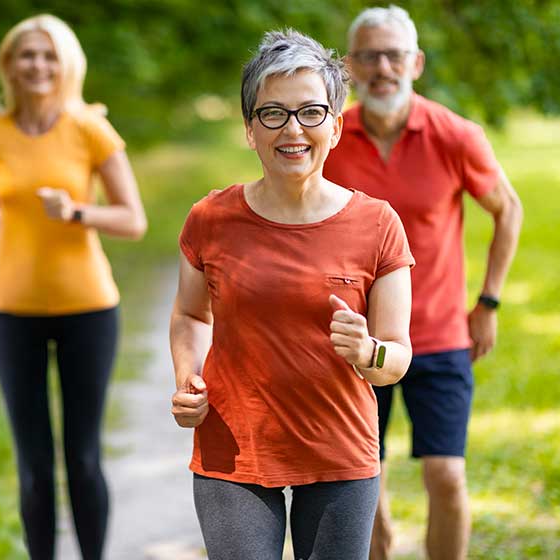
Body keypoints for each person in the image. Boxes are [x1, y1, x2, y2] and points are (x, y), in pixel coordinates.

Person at [169, 29, 415, 560]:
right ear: (250, 130)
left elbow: (397, 354)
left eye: (310, 112)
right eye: (273, 113)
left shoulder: (378, 224)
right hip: (234, 449)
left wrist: (367, 351)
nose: (293, 129)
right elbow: (191, 313)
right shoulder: (210, 219)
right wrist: (187, 374)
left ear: (336, 126)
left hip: (340, 451)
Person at [323, 6, 523, 560]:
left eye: (393, 55)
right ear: (349, 66)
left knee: (447, 476)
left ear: (416, 63)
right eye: (367, 56)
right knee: (365, 481)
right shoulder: (330, 137)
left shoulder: (455, 135)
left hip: (439, 333)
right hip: (358, 340)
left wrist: (487, 301)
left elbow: (508, 210)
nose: (381, 67)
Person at [0, 14, 146, 560]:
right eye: (27, 55)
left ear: (67, 64)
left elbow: (133, 220)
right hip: (11, 310)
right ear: (9, 65)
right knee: (33, 464)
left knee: (83, 457)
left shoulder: (89, 128)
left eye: (49, 55)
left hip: (87, 309)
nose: (38, 65)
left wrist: (76, 212)